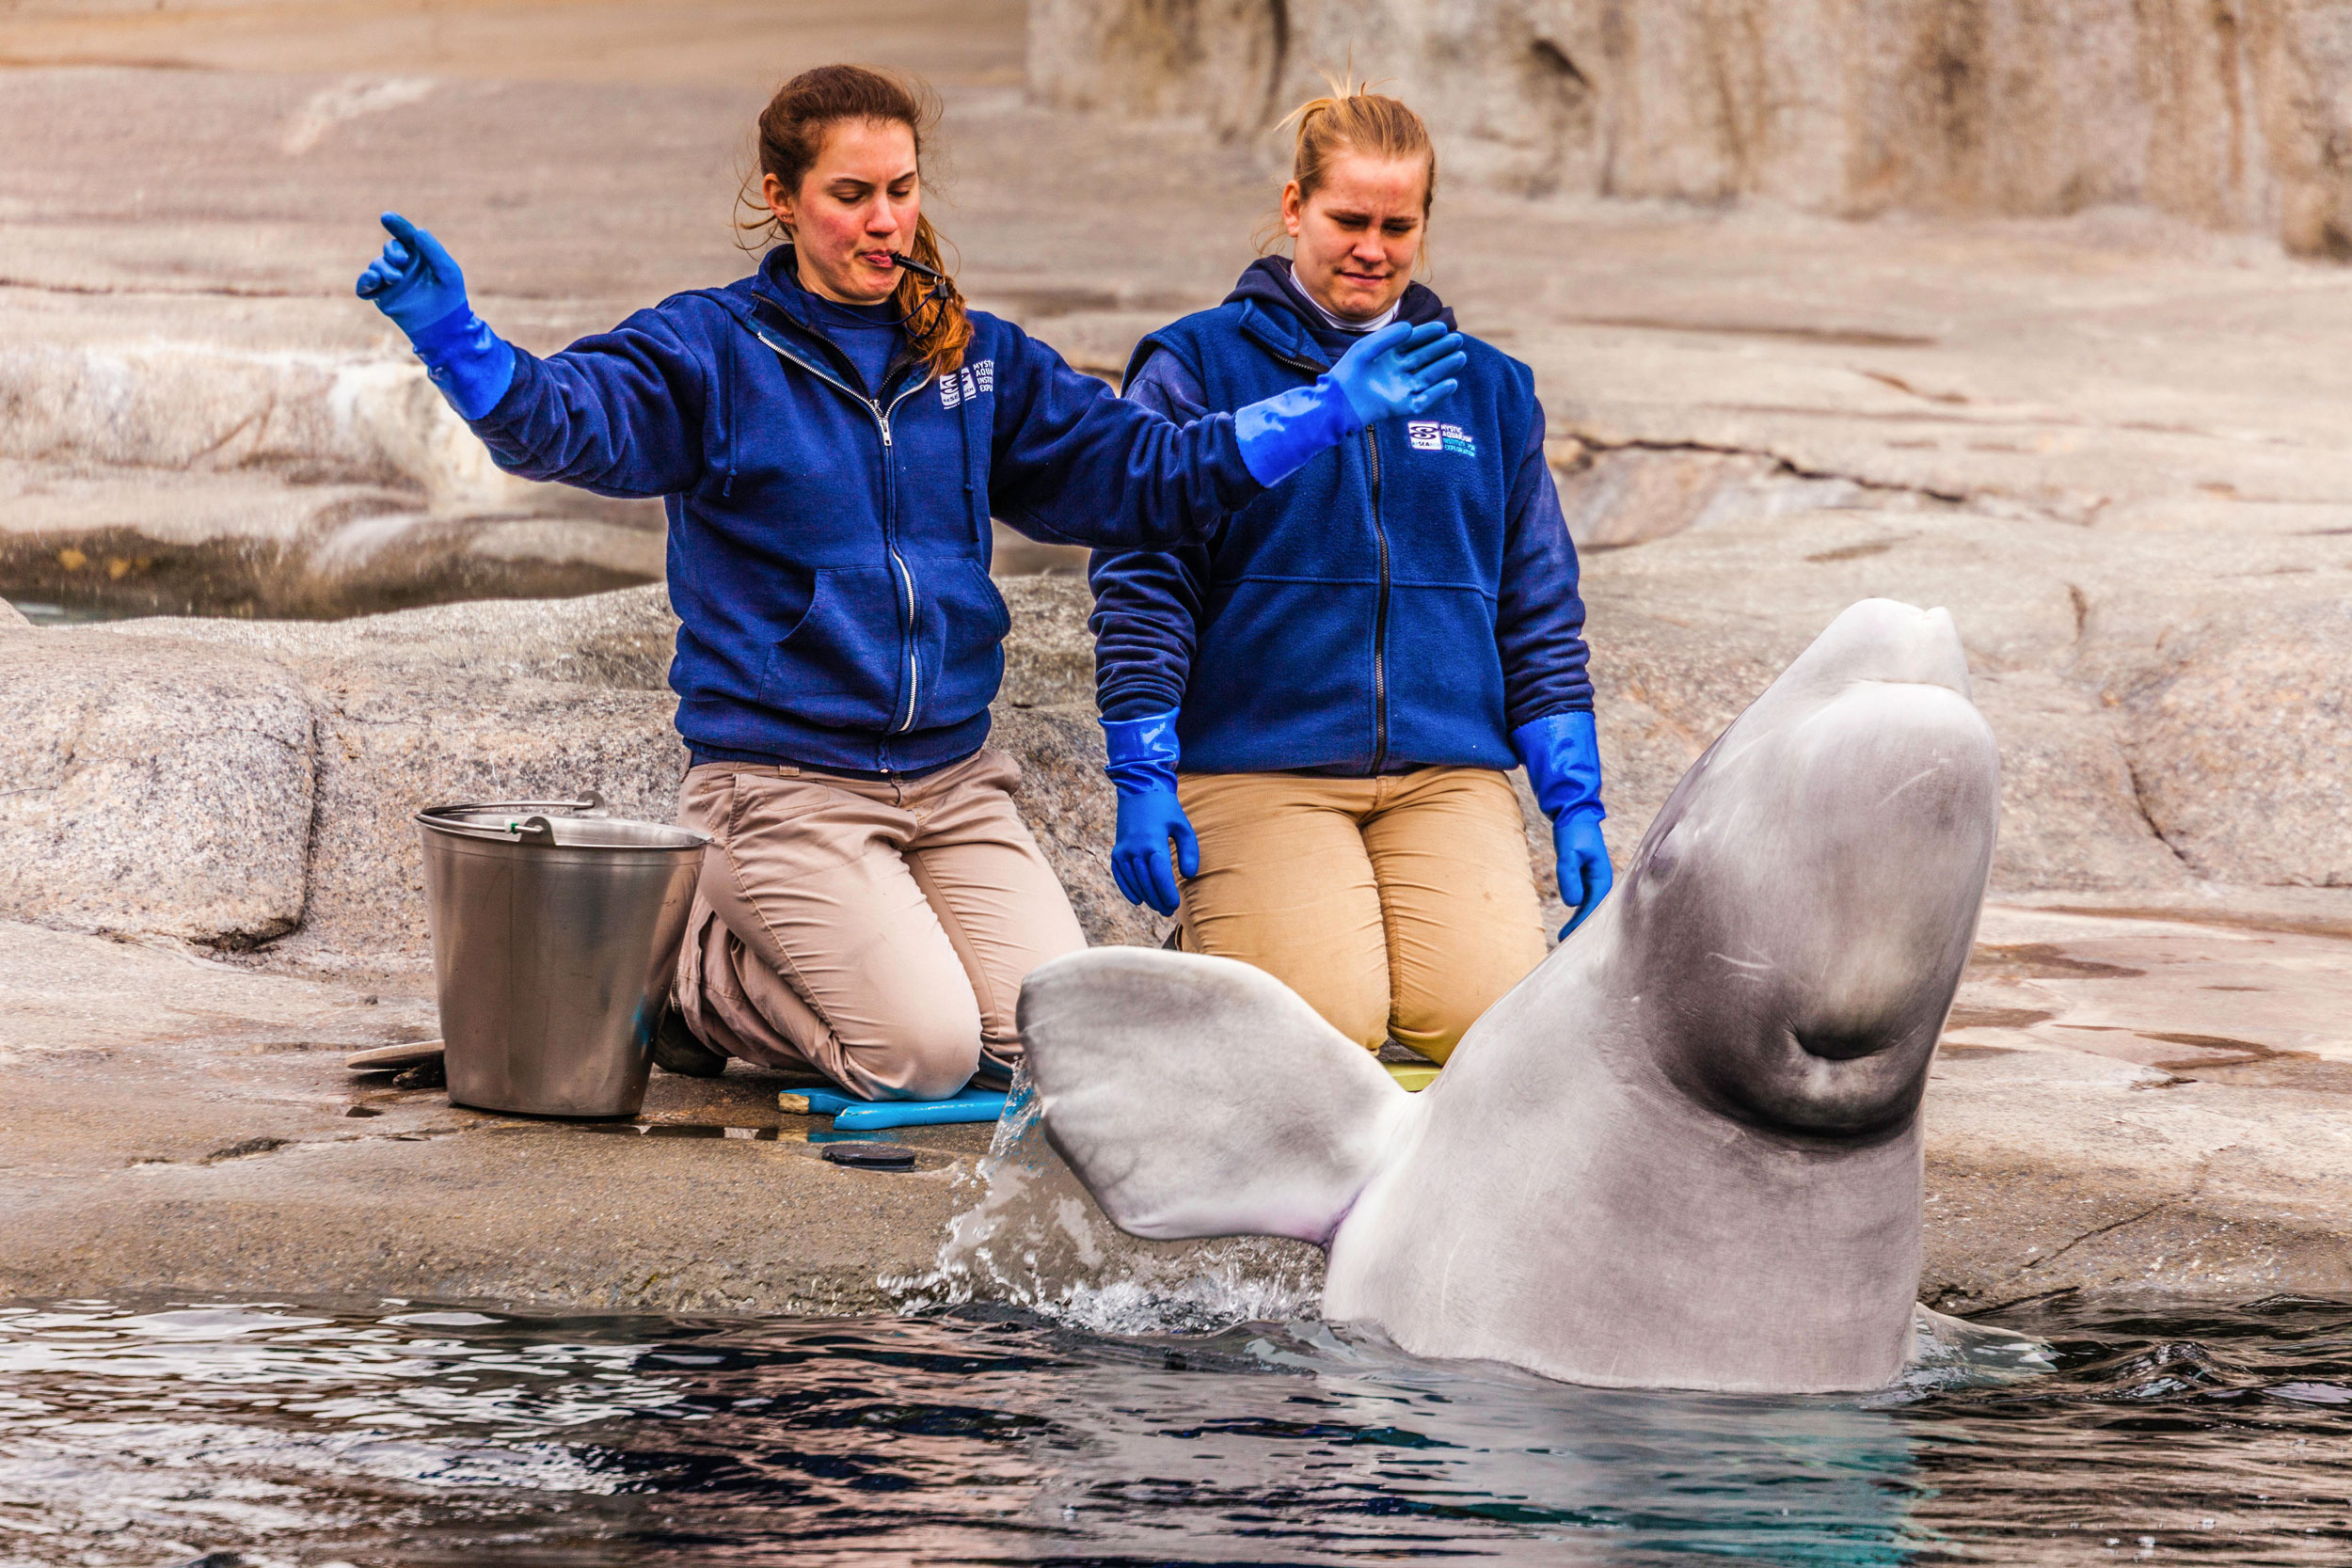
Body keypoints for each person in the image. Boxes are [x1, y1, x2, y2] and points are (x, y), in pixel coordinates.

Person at [356, 64, 1468, 1101]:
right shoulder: (713, 351)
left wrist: (1321, 409)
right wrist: (455, 337)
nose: (884, 219)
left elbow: (1147, 476)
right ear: (780, 198)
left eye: (900, 189)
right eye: (851, 194)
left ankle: (842, 946)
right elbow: (564, 425)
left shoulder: (973, 359)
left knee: (1057, 1044)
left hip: (952, 782)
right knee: (920, 1055)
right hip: (782, 785)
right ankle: (703, 973)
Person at [1087, 82, 1609, 1066]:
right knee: (1325, 1034)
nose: (1372, 246)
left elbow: (1537, 603)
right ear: (1294, 210)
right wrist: (1143, 767)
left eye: (1397, 224)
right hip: (1258, 762)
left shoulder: (1489, 388)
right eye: (1347, 219)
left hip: (1441, 774)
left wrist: (1572, 796)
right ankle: (1220, 938)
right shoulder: (1195, 366)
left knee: (1489, 1037)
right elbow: (1145, 578)